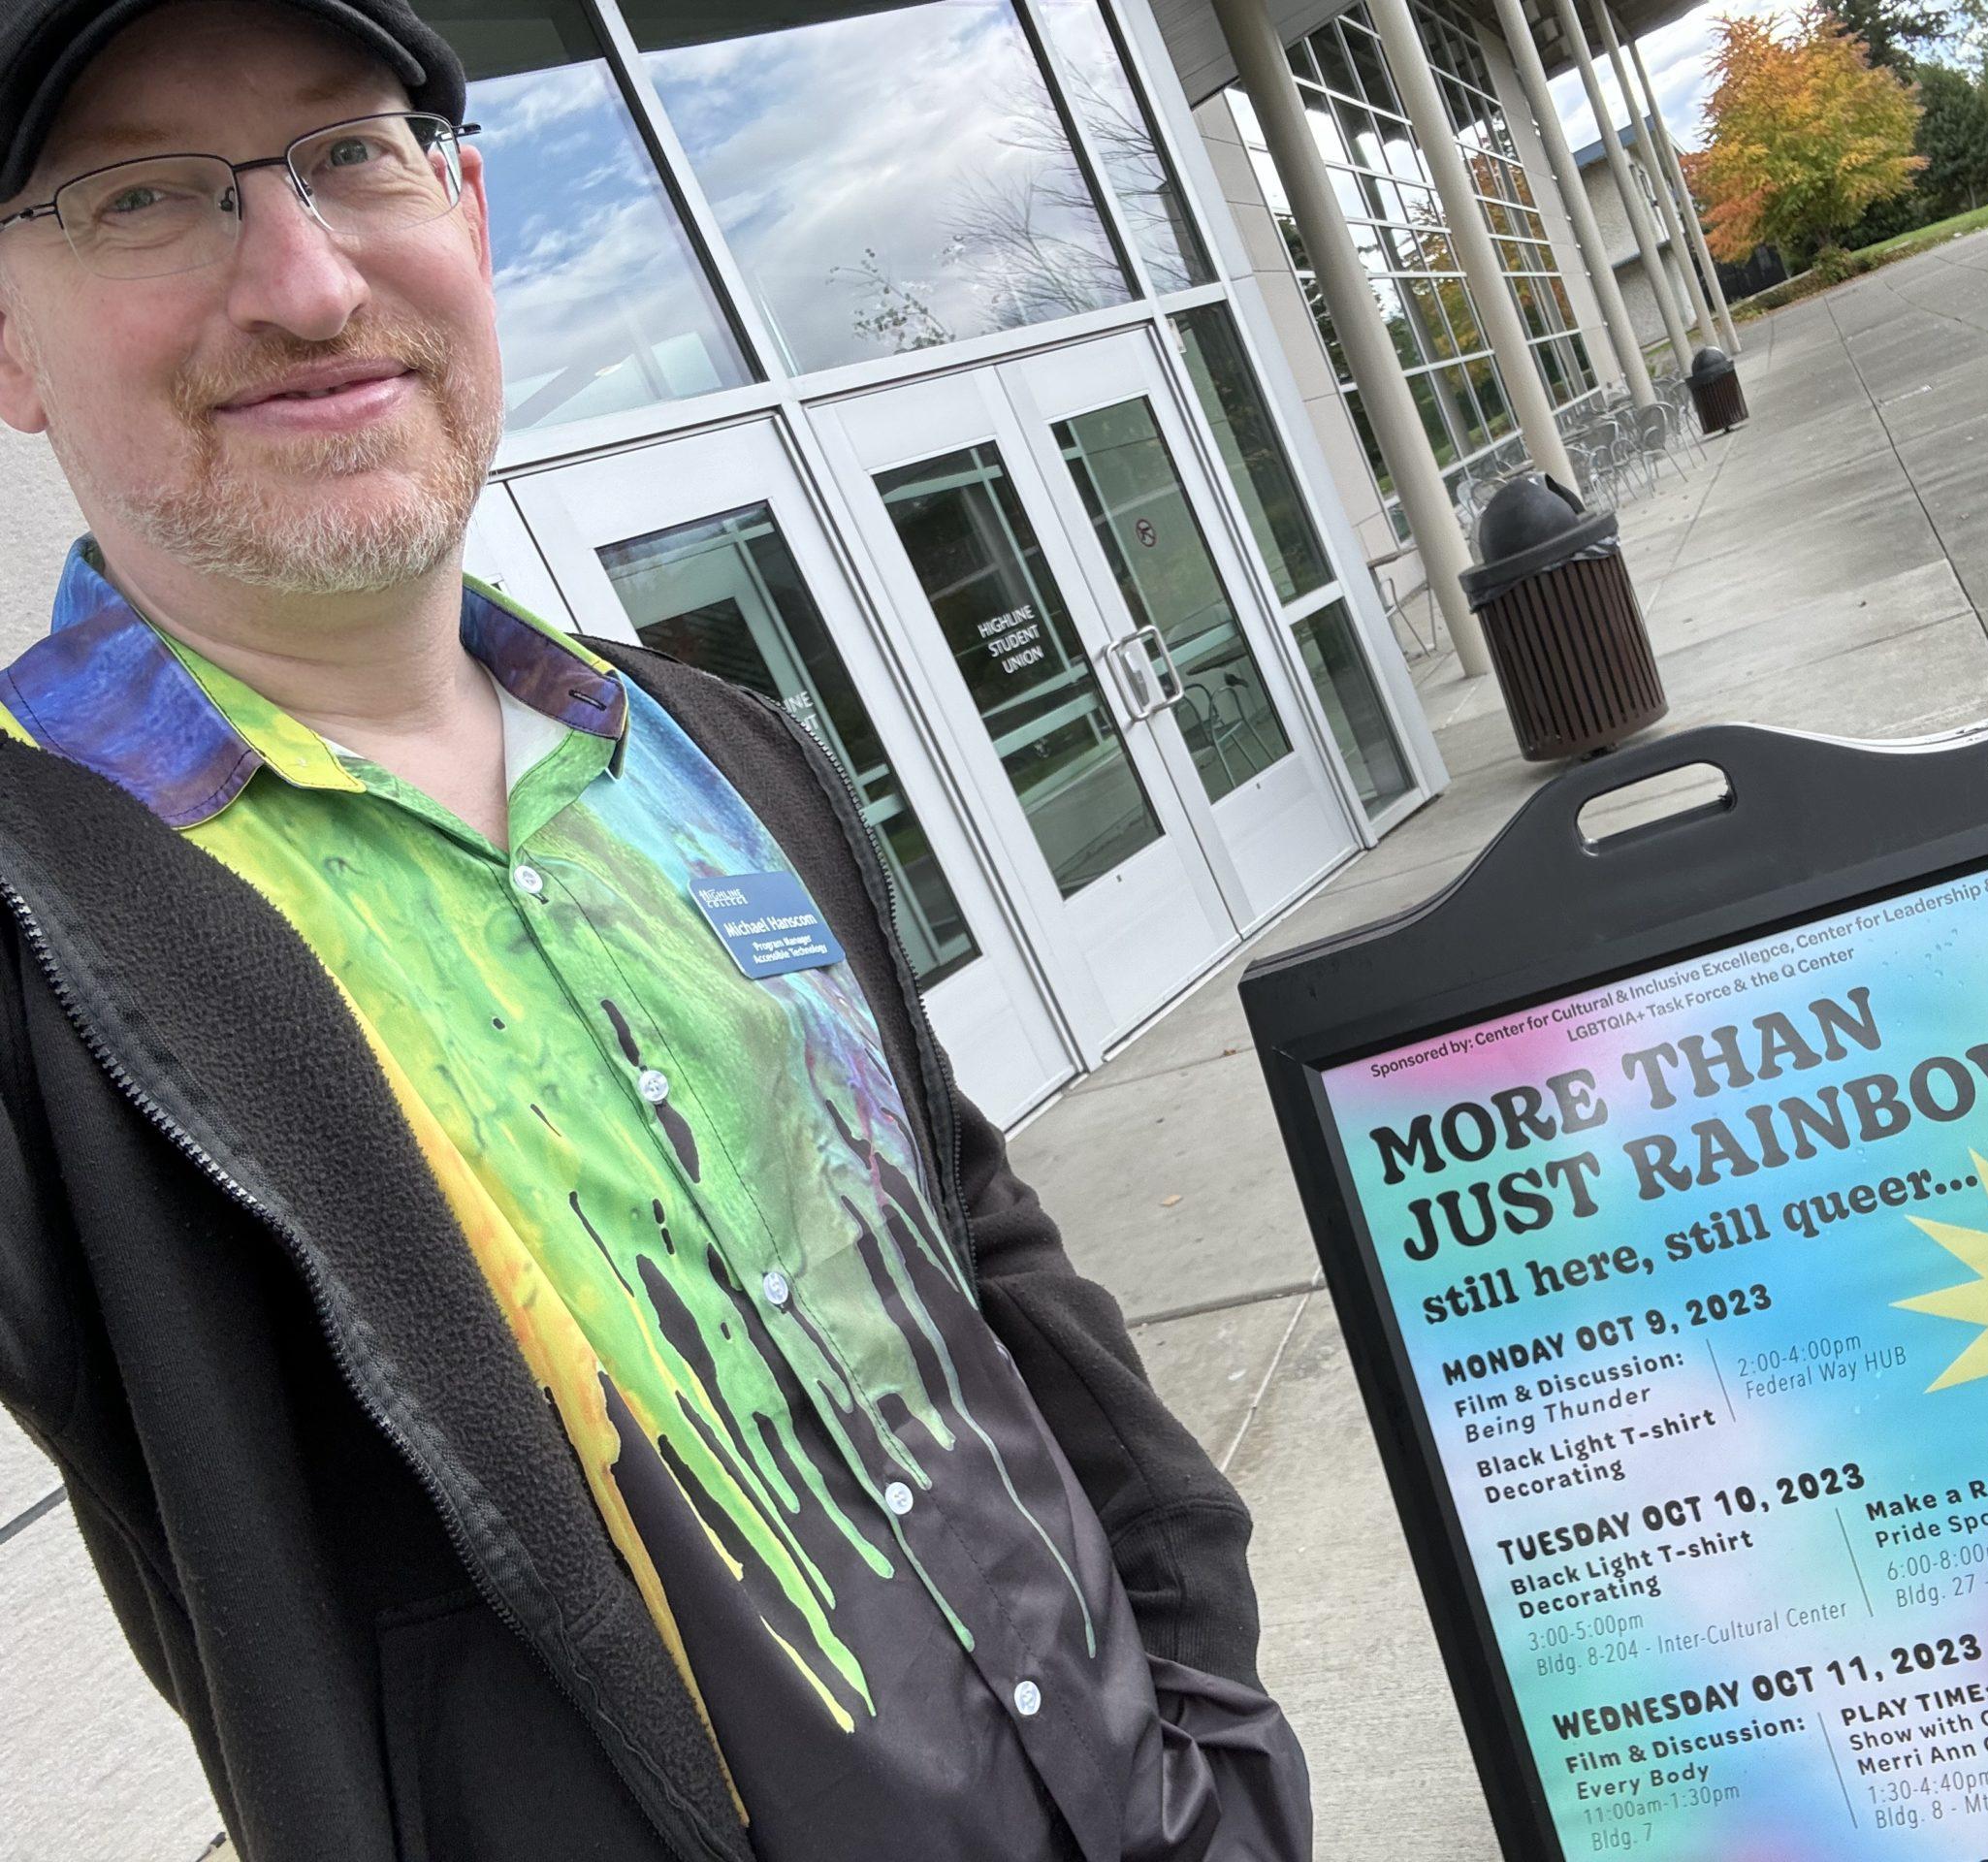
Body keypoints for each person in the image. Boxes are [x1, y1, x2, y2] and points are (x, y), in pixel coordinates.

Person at [0, 3, 1312, 1858]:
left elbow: (975, 1230)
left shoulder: (715, 747)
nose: (300, 282)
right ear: (6, 341)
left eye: (352, 155)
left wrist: (1210, 1725)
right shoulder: (40, 918)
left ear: (459, 205)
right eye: (145, 196)